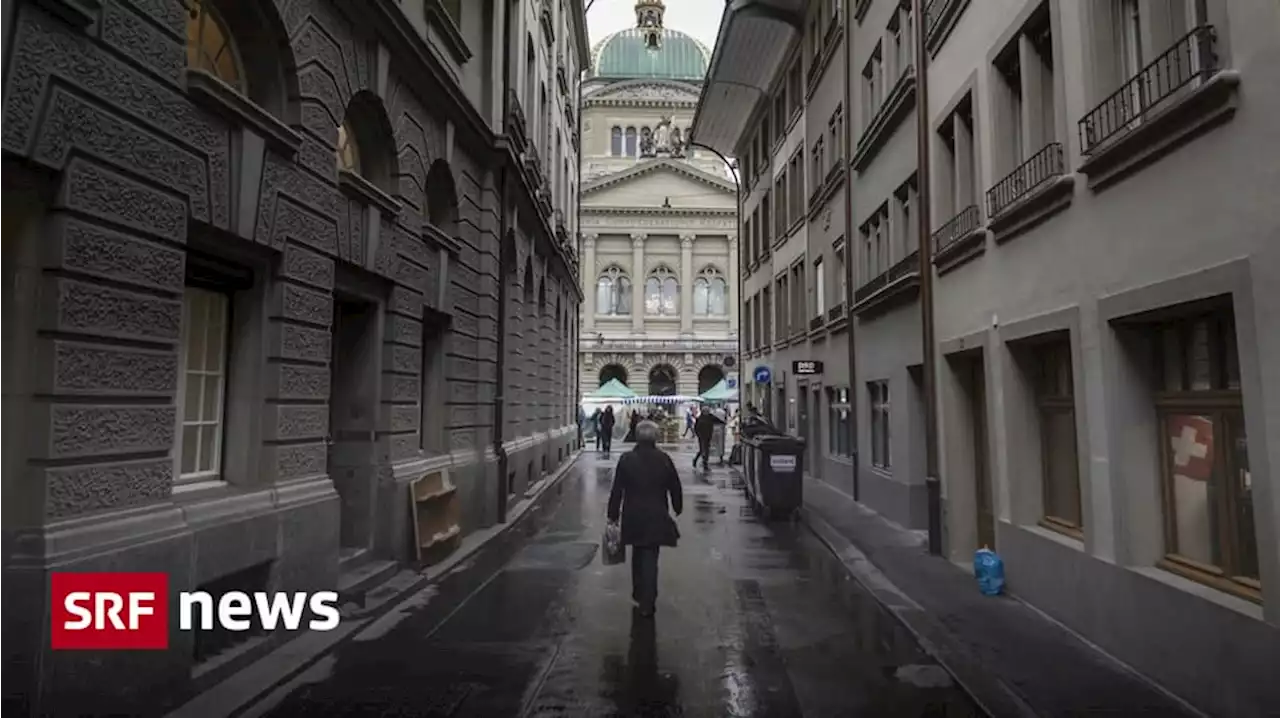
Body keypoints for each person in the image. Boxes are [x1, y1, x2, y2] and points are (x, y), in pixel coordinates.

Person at [607, 420, 682, 618]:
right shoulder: (664, 459)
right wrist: (678, 506)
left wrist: (612, 515)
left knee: (637, 554)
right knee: (651, 557)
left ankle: (639, 592)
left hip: (633, 515)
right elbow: (675, 485)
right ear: (655, 437)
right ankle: (648, 599)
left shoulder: (626, 459)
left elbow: (617, 490)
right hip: (657, 515)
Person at [692, 407, 725, 471]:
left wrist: (723, 422)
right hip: (702, 437)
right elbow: (696, 428)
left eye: (708, 411)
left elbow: (717, 420)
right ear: (703, 412)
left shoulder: (710, 417)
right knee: (704, 450)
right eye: (706, 411)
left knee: (704, 450)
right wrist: (698, 435)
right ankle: (705, 465)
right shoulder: (700, 418)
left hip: (708, 436)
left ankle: (697, 461)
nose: (707, 412)